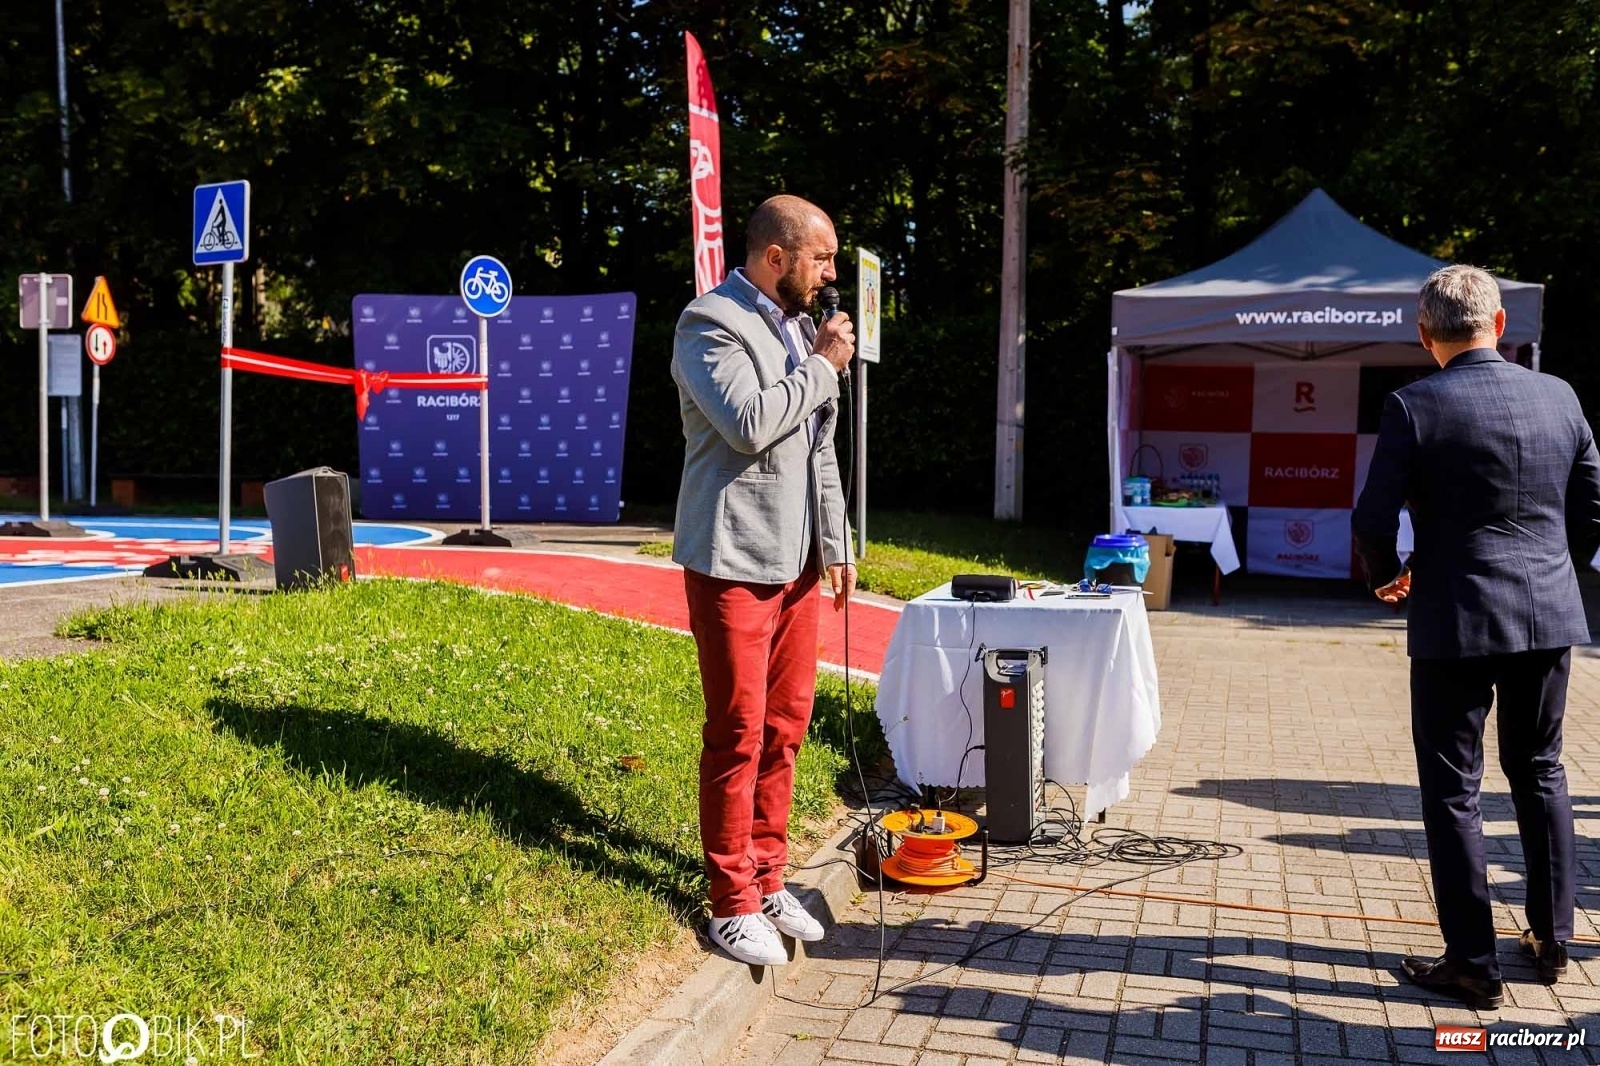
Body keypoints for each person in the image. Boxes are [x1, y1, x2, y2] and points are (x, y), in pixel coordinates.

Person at [1353, 264, 1600, 1010]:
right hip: (1548, 613)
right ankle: (1554, 939)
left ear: (1425, 336)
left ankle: (1472, 961)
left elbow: (1372, 517)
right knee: (1541, 770)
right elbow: (1592, 506)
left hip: (1453, 617)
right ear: (1499, 325)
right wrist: (1556, 568)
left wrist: (1387, 575)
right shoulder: (1560, 395)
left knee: (1455, 791)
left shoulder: (1412, 404)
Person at [670, 194, 858, 966]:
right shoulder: (708, 323)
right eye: (822, 258)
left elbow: (816, 447)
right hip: (735, 558)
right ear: (775, 257)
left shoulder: (796, 329)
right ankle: (730, 899)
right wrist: (821, 366)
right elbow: (748, 423)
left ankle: (769, 873)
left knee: (787, 726)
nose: (831, 274)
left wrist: (837, 538)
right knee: (740, 729)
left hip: (801, 557)